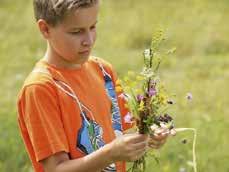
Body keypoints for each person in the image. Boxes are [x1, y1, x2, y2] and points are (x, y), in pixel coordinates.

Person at [17, 0, 171, 172]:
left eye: (92, 27)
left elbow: (123, 135)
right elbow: (56, 169)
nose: (89, 40)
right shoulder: (40, 88)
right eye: (76, 32)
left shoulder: (103, 71)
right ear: (45, 29)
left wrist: (148, 137)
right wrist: (110, 154)